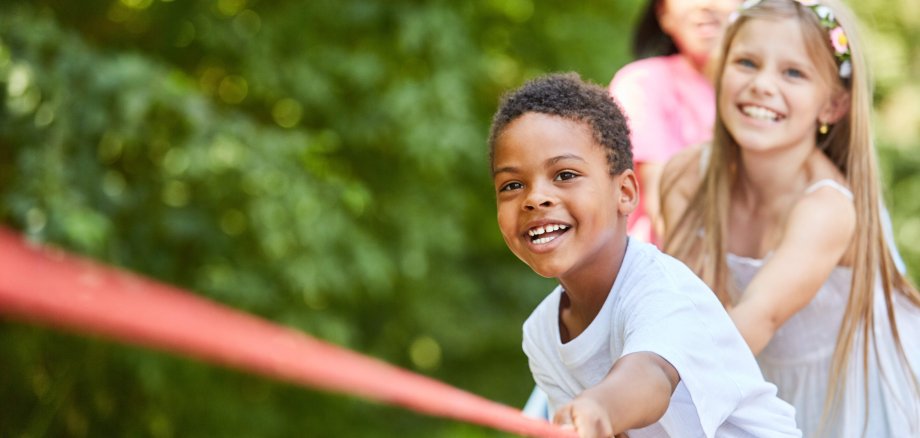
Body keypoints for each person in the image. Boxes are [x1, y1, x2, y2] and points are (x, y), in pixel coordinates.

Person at [659, 0, 920, 436]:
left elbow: (754, 321)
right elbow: (688, 309)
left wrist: (645, 393)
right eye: (747, 62)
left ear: (832, 107)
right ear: (720, 72)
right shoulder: (686, 177)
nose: (763, 84)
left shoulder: (827, 209)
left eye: (793, 73)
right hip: (748, 372)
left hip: (853, 390)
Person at [490, 72, 800, 437]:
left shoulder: (662, 290)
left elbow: (650, 377)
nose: (535, 198)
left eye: (565, 174)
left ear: (625, 193)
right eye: (512, 185)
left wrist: (600, 406)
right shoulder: (541, 335)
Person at [609, 0, 741, 244]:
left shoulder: (762, 92)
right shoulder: (642, 83)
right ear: (663, 15)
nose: (705, 5)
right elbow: (663, 210)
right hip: (670, 264)